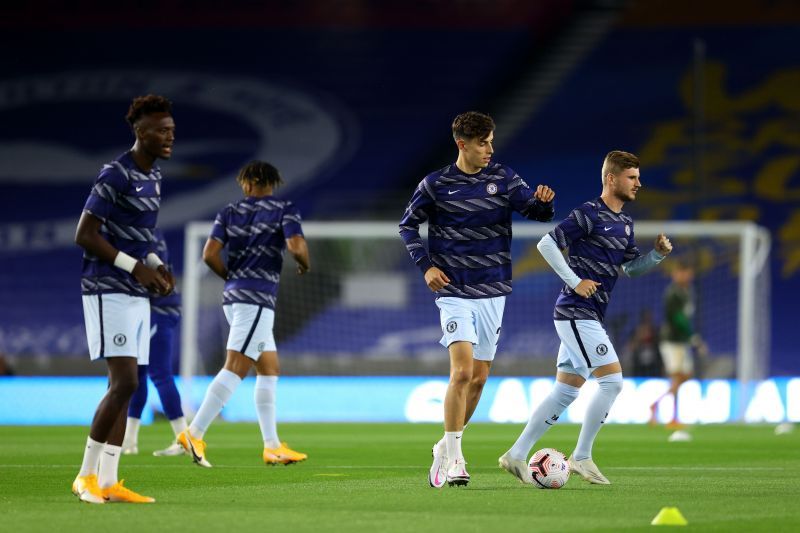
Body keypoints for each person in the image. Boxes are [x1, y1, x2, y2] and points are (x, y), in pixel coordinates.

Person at [399, 111, 555, 488]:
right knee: (462, 371)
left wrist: (544, 202)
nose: (490, 148)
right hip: (453, 291)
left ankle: (444, 445)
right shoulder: (436, 184)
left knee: (480, 379)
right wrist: (425, 267)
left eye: (491, 141)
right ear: (462, 144)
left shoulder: (503, 178)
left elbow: (534, 212)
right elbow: (407, 225)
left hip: (493, 290)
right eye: (483, 142)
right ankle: (456, 459)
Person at [499, 150, 672, 486]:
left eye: (638, 177)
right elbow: (547, 244)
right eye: (632, 177)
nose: (639, 183)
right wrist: (574, 281)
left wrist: (657, 256)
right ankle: (581, 456)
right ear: (611, 178)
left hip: (590, 314)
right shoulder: (590, 213)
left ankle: (517, 454)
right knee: (613, 381)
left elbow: (630, 269)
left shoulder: (625, 223)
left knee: (566, 392)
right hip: (575, 312)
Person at [73, 94, 175, 503]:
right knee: (126, 381)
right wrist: (137, 268)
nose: (170, 137)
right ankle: (85, 476)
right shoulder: (115, 174)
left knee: (127, 386)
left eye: (172, 130)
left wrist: (156, 265)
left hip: (135, 292)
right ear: (140, 132)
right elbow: (85, 234)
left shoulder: (155, 177)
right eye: (161, 131)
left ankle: (111, 481)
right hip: (105, 288)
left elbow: (139, 234)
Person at [177, 160, 310, 468]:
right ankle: (193, 432)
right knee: (236, 366)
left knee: (269, 368)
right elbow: (295, 245)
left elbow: (209, 254)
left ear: (247, 184)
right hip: (257, 298)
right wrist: (304, 263)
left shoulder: (229, 212)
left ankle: (272, 446)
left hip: (234, 296)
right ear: (272, 184)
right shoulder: (283, 209)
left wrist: (231, 278)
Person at [121, 229, 188, 457]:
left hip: (157, 308)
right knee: (137, 374)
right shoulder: (147, 229)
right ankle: (129, 441)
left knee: (160, 373)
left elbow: (152, 273)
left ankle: (185, 440)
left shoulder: (145, 232)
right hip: (149, 309)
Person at [649, 260, 705, 428]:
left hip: (681, 340)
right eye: (681, 272)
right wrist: (693, 338)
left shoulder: (687, 291)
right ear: (675, 274)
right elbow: (677, 319)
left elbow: (685, 318)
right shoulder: (672, 293)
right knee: (677, 376)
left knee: (685, 375)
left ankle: (656, 404)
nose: (685, 275)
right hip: (671, 340)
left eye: (687, 272)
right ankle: (673, 417)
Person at [627, 310, 662, 378]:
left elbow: (660, 347)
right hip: (639, 367)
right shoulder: (636, 332)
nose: (647, 320)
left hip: (654, 367)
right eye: (646, 318)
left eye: (649, 318)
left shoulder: (655, 331)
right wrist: (639, 337)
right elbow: (631, 347)